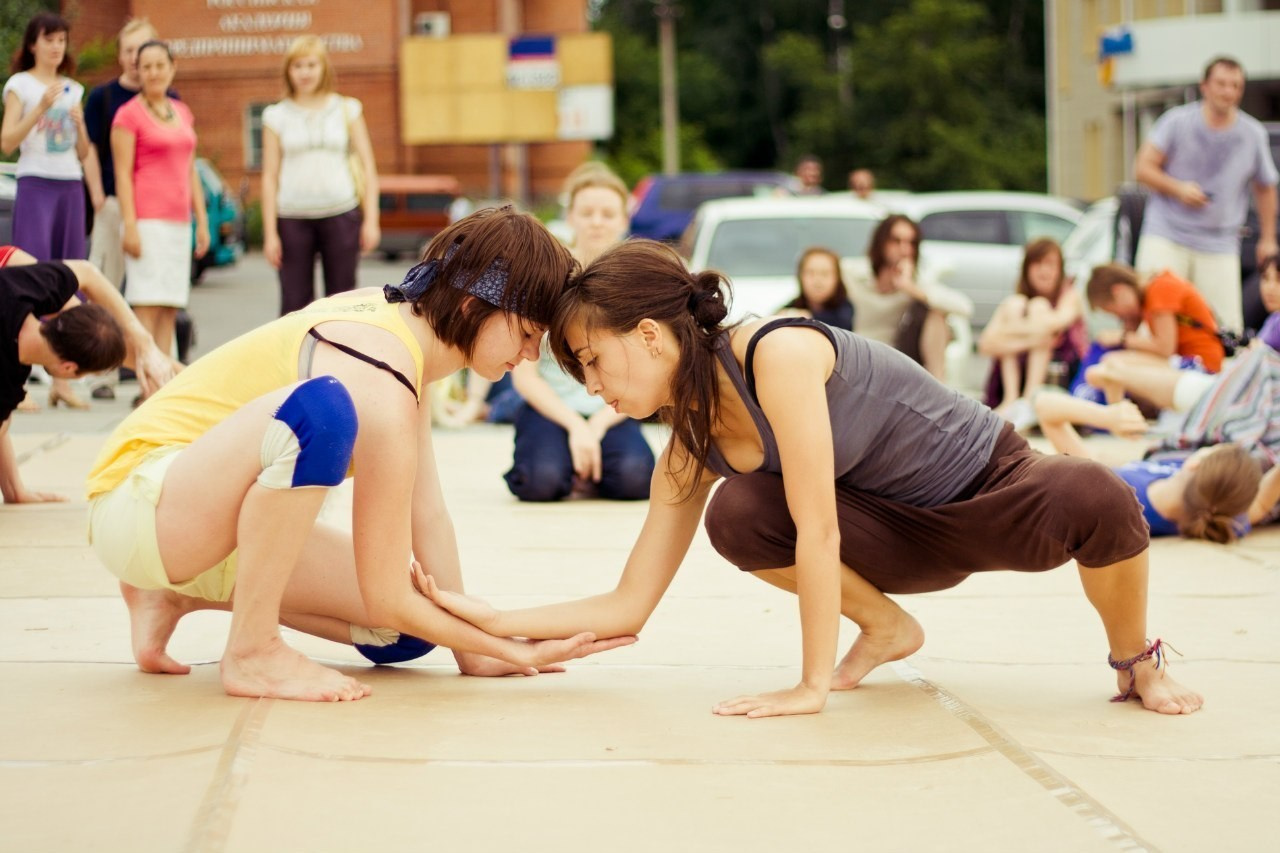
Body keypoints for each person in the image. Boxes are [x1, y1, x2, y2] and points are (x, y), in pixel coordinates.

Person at [417, 238, 1203, 718]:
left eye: (592, 358)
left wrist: (808, 685)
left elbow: (819, 527)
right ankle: (889, 626)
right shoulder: (688, 445)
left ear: (650, 335)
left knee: (1098, 494)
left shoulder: (776, 354)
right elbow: (629, 605)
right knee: (740, 514)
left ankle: (1137, 662)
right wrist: (489, 622)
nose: (590, 383)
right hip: (894, 531)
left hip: (989, 489)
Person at [84, 207, 631, 703]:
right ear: (472, 305)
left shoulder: (405, 338)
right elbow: (384, 588)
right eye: (529, 333)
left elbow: (428, 515)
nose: (530, 354)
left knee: (413, 628)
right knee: (322, 413)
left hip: (199, 521)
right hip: (144, 499)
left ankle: (171, 596)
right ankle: (252, 651)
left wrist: (478, 649)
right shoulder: (379, 369)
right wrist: (520, 650)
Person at [504, 162, 655, 502]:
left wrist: (597, 426)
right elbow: (525, 377)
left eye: (607, 213)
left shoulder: (638, 282)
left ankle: (587, 468)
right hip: (550, 406)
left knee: (635, 480)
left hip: (614, 407)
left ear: (624, 219)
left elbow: (647, 371)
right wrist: (575, 426)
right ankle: (562, 464)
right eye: (587, 212)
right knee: (540, 483)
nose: (597, 221)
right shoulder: (545, 278)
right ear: (570, 216)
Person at [2, 248, 176, 503]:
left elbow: (86, 272)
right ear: (69, 368)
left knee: (95, 336)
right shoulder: (8, 378)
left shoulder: (21, 288)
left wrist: (142, 340)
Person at [1133, 56, 1278, 334]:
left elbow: (1265, 186)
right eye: (1221, 84)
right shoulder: (1176, 122)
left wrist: (1268, 239)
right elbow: (1142, 167)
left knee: (1226, 328)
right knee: (1154, 319)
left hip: (1219, 240)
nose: (1228, 91)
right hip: (1168, 233)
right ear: (1205, 86)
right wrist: (1178, 189)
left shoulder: (1252, 133)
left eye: (1235, 85)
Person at [1, 12, 99, 411]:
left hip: (69, 187)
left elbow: (83, 153)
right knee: (30, 276)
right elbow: (7, 141)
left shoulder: (75, 89)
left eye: (62, 39)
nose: (57, 46)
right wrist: (38, 107)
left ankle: (62, 379)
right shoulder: (20, 85)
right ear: (33, 44)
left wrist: (81, 128)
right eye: (49, 39)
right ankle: (16, 378)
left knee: (69, 276)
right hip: (35, 183)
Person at [1034, 393, 1276, 543]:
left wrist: (1106, 417)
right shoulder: (1222, 516)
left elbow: (1046, 408)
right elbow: (1263, 502)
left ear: (1195, 463)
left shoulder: (1117, 491)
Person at [112, 39, 209, 404]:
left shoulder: (181, 111)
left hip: (177, 223)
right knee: (146, 303)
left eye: (159, 65)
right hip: (146, 221)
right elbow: (122, 175)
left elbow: (191, 170)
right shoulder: (128, 115)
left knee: (170, 303)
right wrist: (130, 224)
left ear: (172, 67)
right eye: (146, 66)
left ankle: (165, 385)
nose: (153, 72)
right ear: (138, 71)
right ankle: (145, 384)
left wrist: (201, 221)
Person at [261, 35, 380, 316]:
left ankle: (342, 359)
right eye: (297, 65)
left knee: (344, 301)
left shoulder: (347, 109)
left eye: (311, 64)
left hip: (341, 213)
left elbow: (368, 167)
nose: (305, 72)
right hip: (292, 217)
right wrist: (269, 234)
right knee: (294, 304)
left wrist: (372, 220)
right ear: (288, 71)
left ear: (323, 67)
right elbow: (269, 176)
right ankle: (297, 361)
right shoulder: (275, 116)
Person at [83, 18, 162, 401]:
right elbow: (90, 150)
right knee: (105, 287)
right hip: (114, 204)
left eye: (143, 49)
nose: (135, 58)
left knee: (153, 292)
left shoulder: (167, 99)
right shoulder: (103, 97)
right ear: (120, 55)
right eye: (129, 50)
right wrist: (99, 195)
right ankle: (102, 373)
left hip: (154, 210)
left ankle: (153, 367)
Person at [845, 214, 972, 381]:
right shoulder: (853, 273)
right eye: (896, 241)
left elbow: (965, 307)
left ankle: (938, 389)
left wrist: (910, 288)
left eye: (911, 243)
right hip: (858, 351)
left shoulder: (916, 282)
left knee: (936, 313)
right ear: (881, 242)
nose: (904, 250)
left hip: (899, 355)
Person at [978, 238, 1086, 425]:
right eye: (1038, 263)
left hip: (1059, 374)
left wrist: (1010, 334)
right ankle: (1011, 400)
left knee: (1039, 307)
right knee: (1015, 304)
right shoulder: (1015, 303)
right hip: (1016, 375)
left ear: (1060, 270)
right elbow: (985, 345)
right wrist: (1032, 340)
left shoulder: (1070, 296)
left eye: (1051, 264)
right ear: (1027, 268)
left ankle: (1029, 400)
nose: (1044, 271)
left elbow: (1052, 325)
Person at [1086, 262, 1226, 377]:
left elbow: (1165, 348)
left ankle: (1117, 410)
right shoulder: (1150, 296)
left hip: (1203, 366)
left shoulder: (1159, 289)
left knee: (1114, 362)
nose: (1119, 316)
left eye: (1114, 311)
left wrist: (1122, 337)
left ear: (1119, 291)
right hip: (1189, 362)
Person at [777, 247, 854, 330]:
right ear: (800, 277)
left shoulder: (845, 310)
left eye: (825, 274)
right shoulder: (793, 306)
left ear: (837, 278)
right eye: (810, 273)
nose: (817, 281)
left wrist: (807, 318)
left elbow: (839, 323)